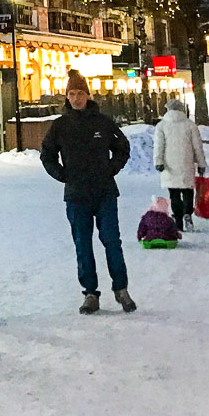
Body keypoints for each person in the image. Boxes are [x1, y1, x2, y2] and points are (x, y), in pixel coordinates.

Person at [40, 70, 135, 314]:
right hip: (76, 195)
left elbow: (123, 148)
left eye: (80, 93)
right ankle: (90, 293)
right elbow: (47, 155)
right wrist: (62, 175)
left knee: (112, 241)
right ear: (66, 97)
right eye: (71, 94)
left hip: (104, 193)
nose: (76, 98)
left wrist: (110, 169)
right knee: (83, 244)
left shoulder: (102, 122)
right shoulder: (60, 126)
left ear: (87, 95)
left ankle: (121, 289)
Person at [153, 96, 206, 231]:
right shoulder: (190, 125)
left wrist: (158, 161)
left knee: (174, 193)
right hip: (186, 162)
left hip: (169, 164)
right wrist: (201, 164)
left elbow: (159, 146)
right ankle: (187, 213)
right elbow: (197, 147)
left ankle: (178, 220)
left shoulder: (161, 126)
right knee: (188, 190)